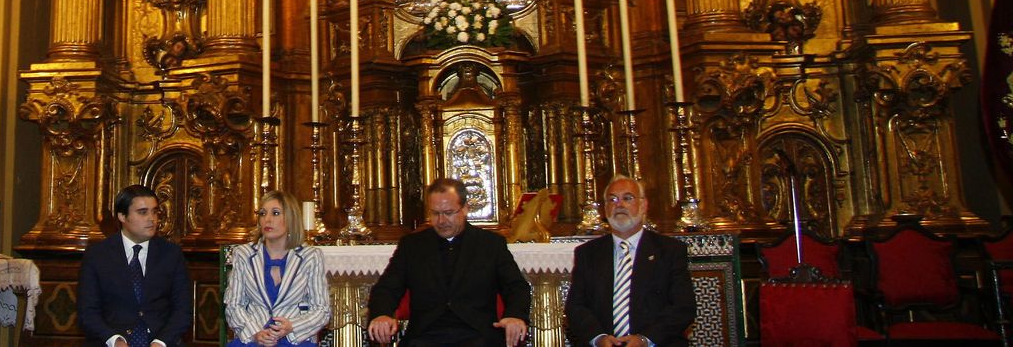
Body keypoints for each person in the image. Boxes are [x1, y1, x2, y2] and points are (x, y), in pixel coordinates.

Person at [367, 177, 530, 347]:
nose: (442, 221)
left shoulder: (490, 244)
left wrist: (515, 315)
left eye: (449, 212)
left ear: (465, 209)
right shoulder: (412, 245)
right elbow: (386, 288)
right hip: (425, 335)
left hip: (478, 334)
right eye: (435, 213)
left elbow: (516, 286)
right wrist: (381, 314)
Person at [565, 176, 696, 347]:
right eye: (612, 199)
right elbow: (576, 307)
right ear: (605, 209)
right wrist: (599, 338)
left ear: (643, 205)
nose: (619, 205)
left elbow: (683, 307)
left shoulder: (669, 251)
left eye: (627, 198)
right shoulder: (587, 253)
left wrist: (645, 339)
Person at [79, 184, 193, 347]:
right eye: (143, 212)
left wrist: (160, 342)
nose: (151, 219)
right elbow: (87, 313)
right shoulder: (97, 255)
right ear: (122, 216)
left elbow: (183, 311)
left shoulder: (171, 254)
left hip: (161, 341)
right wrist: (114, 340)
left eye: (155, 212)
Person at [224, 190, 330, 347]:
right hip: (254, 339)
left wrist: (292, 326)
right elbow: (233, 304)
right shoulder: (243, 254)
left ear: (290, 218)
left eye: (275, 213)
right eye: (262, 213)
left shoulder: (310, 256)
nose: (267, 219)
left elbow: (322, 310)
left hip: (295, 340)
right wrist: (255, 333)